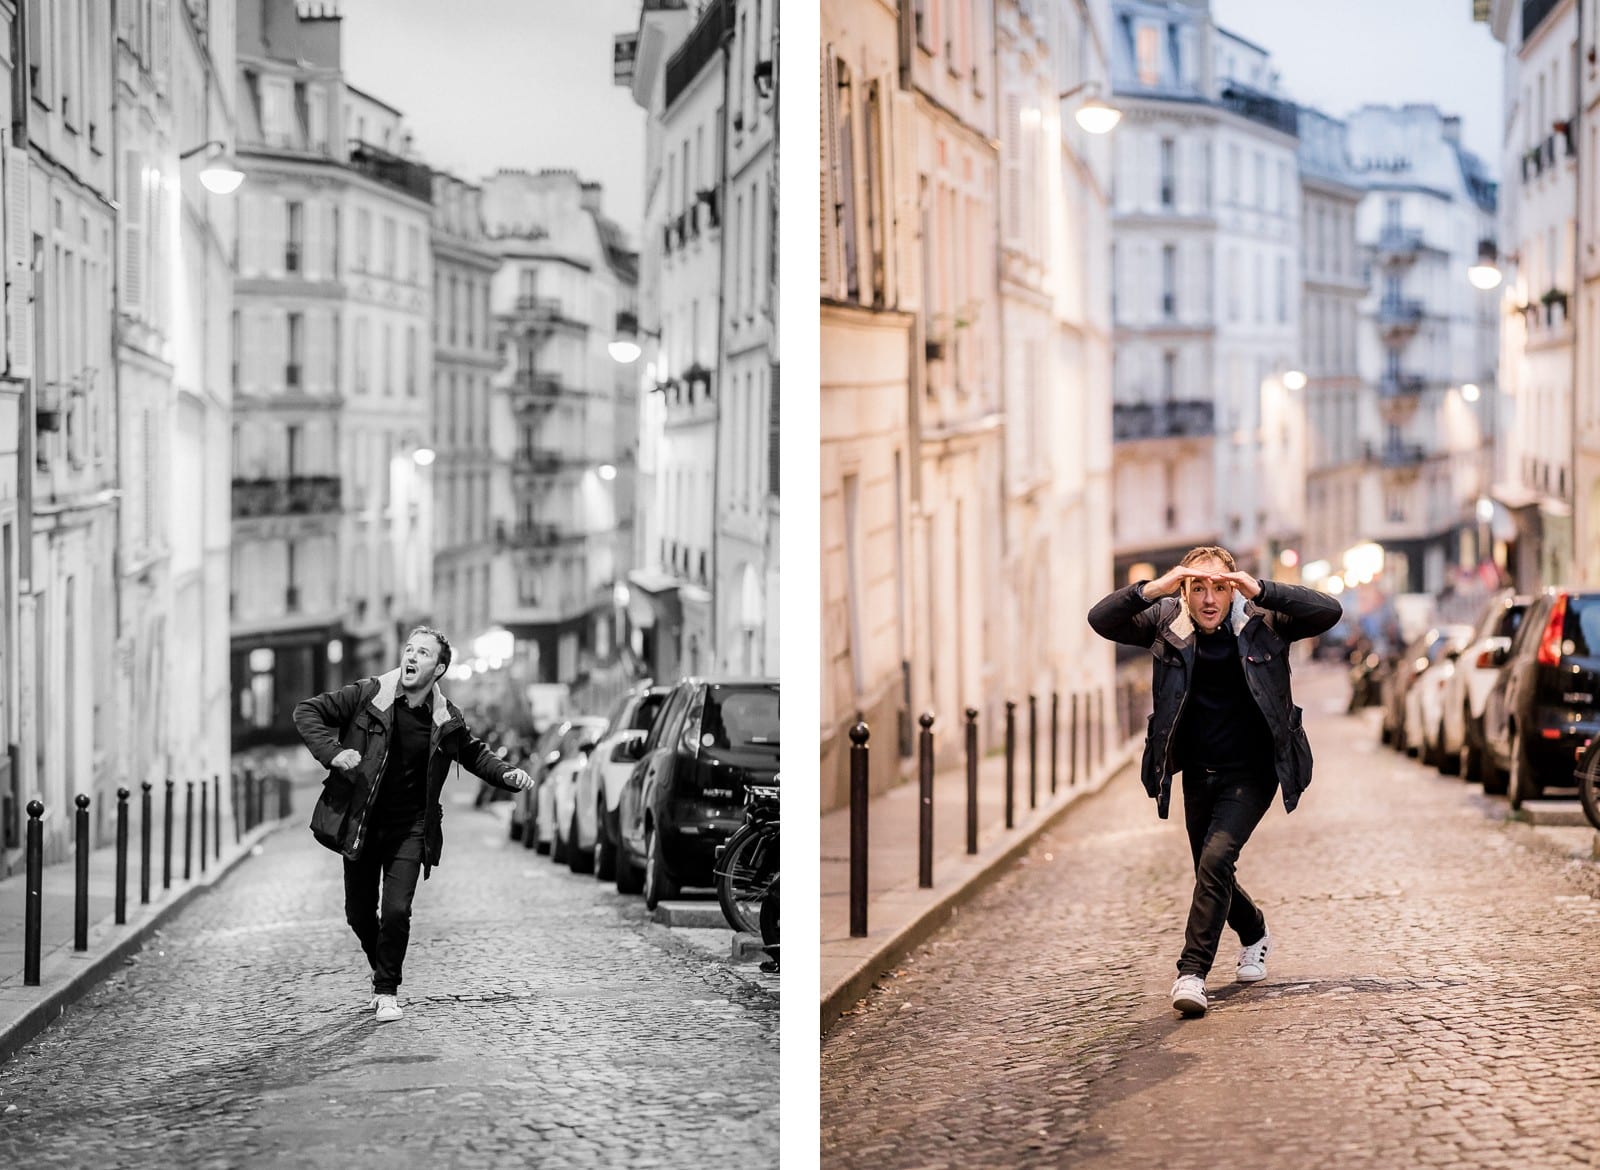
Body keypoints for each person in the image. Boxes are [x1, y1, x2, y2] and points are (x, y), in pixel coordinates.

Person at [1087, 546, 1341, 1018]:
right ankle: (1255, 932)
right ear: (1184, 591)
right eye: (1197, 587)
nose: (1208, 599)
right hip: (1199, 773)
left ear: (1233, 589)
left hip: (1254, 770)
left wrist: (1261, 589)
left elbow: (1328, 611)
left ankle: (1192, 972)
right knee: (1211, 869)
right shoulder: (1167, 622)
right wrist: (1155, 588)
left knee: (1217, 858)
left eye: (1219, 587)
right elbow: (1102, 620)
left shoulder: (1262, 620)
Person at [294, 626, 533, 1024]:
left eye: (422, 653)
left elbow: (473, 754)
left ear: (438, 668)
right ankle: (381, 968)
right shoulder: (369, 694)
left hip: (411, 827)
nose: (411, 656)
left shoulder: (444, 717)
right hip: (363, 823)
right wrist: (333, 753)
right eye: (409, 649)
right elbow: (307, 711)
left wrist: (506, 774)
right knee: (358, 913)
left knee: (396, 911)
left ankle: (387, 990)